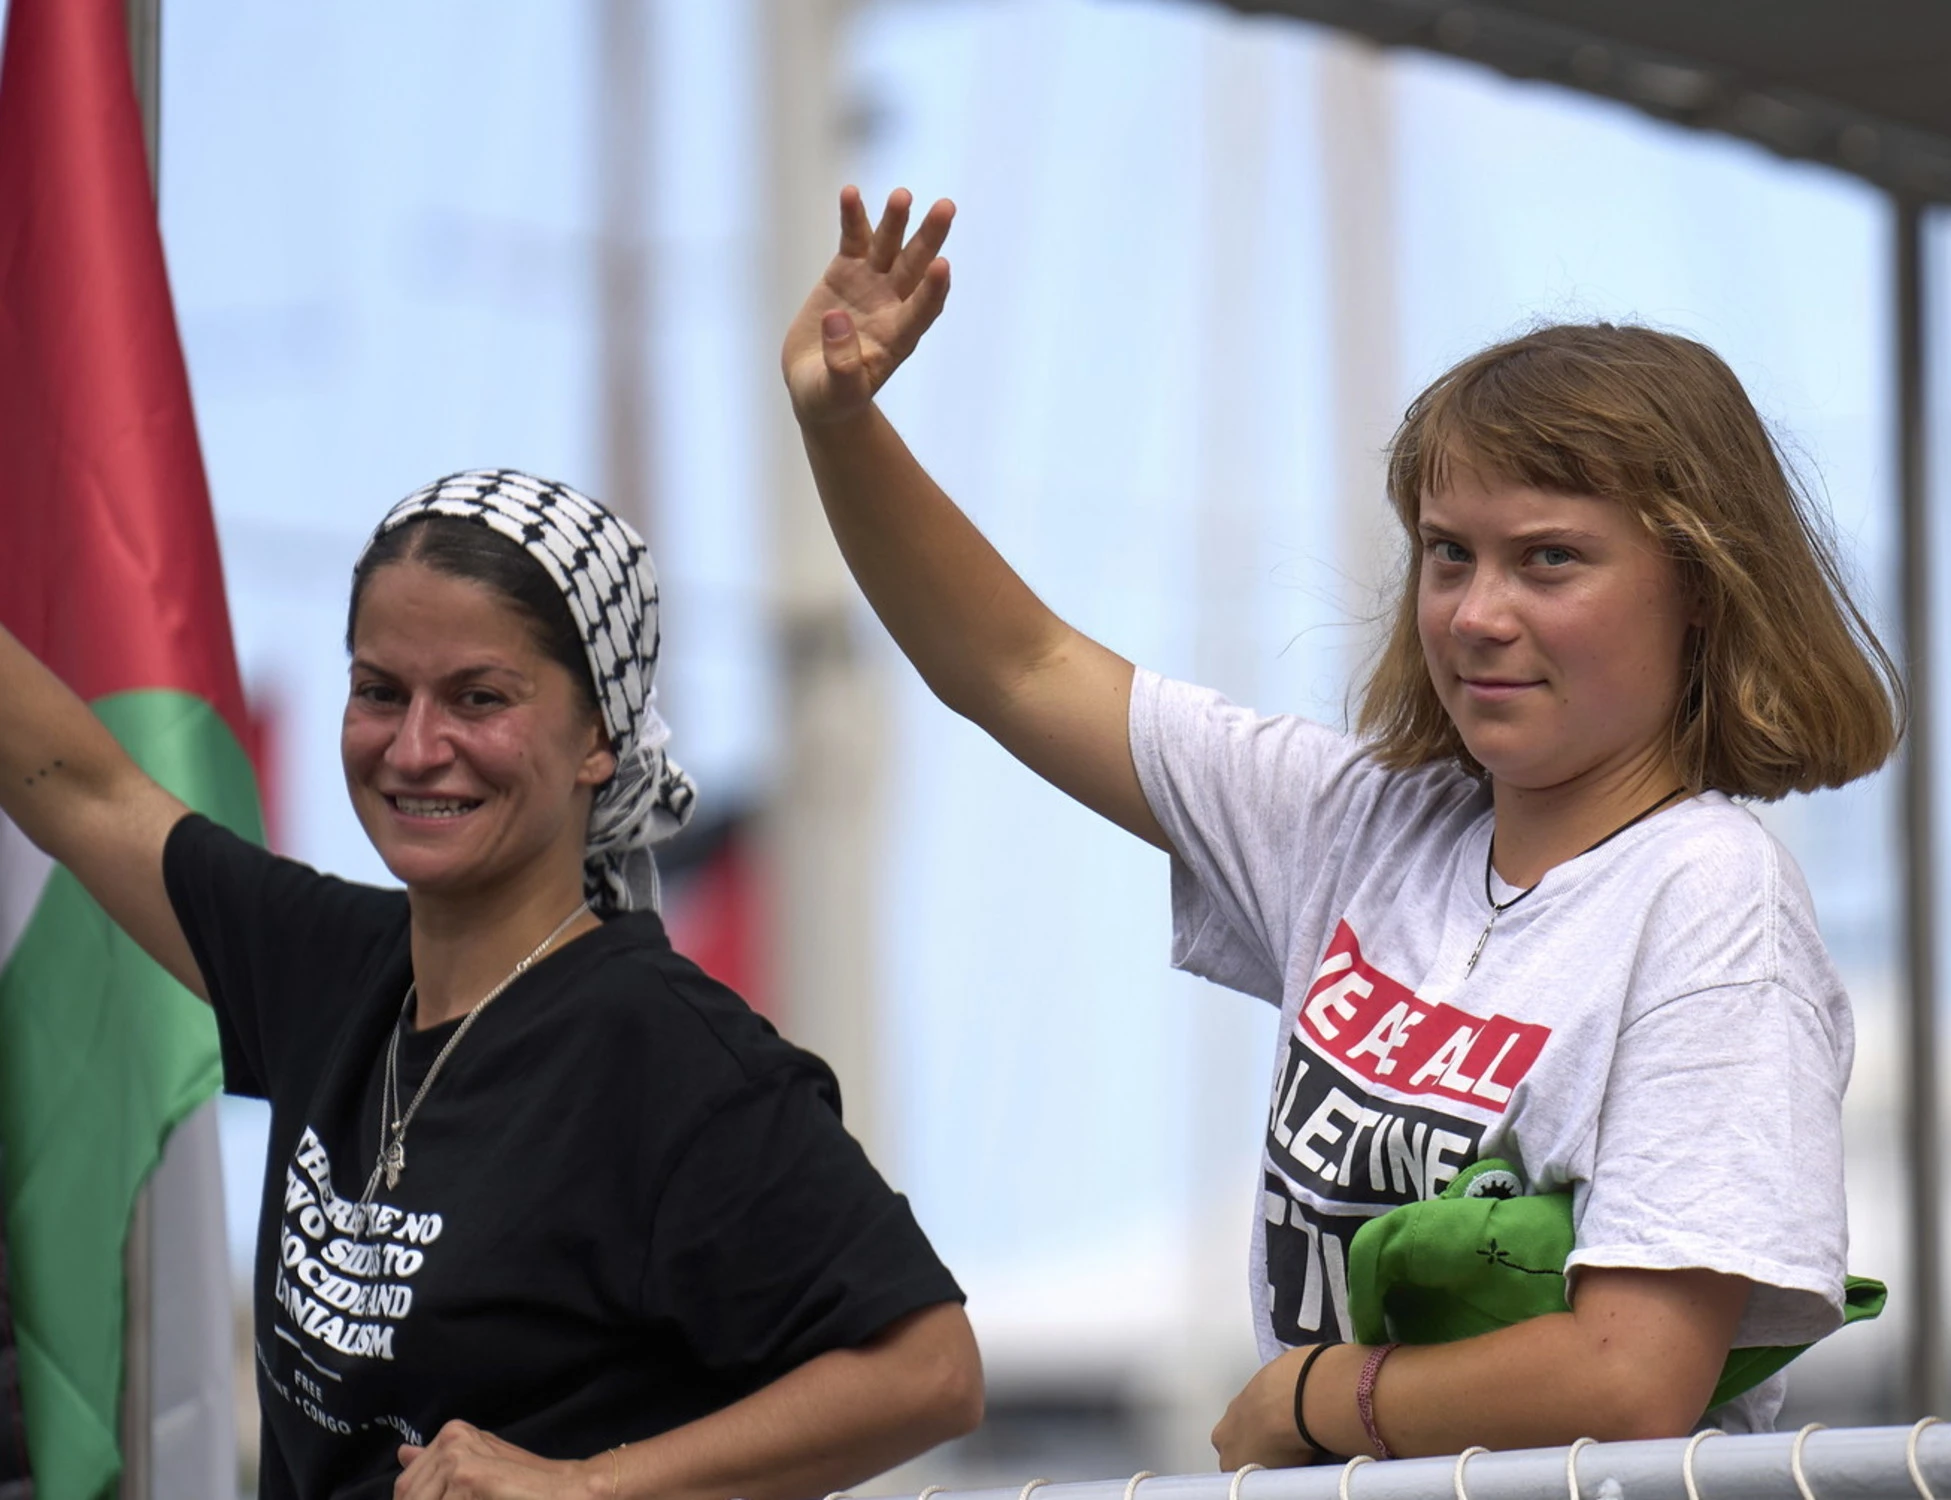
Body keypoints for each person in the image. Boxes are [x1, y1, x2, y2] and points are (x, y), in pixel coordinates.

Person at [780, 187, 1902, 1461]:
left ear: (1700, 589)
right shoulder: (1357, 823)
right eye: (1445, 553)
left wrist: (1310, 1401)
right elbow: (1016, 665)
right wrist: (841, 422)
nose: (1475, 613)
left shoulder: (1709, 894)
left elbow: (1631, 1377)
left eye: (1547, 559)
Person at [0, 469, 982, 1499]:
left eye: (479, 698)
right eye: (379, 691)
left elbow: (930, 1371)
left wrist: (583, 1485)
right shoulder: (326, 970)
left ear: (597, 738)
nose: (417, 749)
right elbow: (81, 787)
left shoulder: (669, 1053)